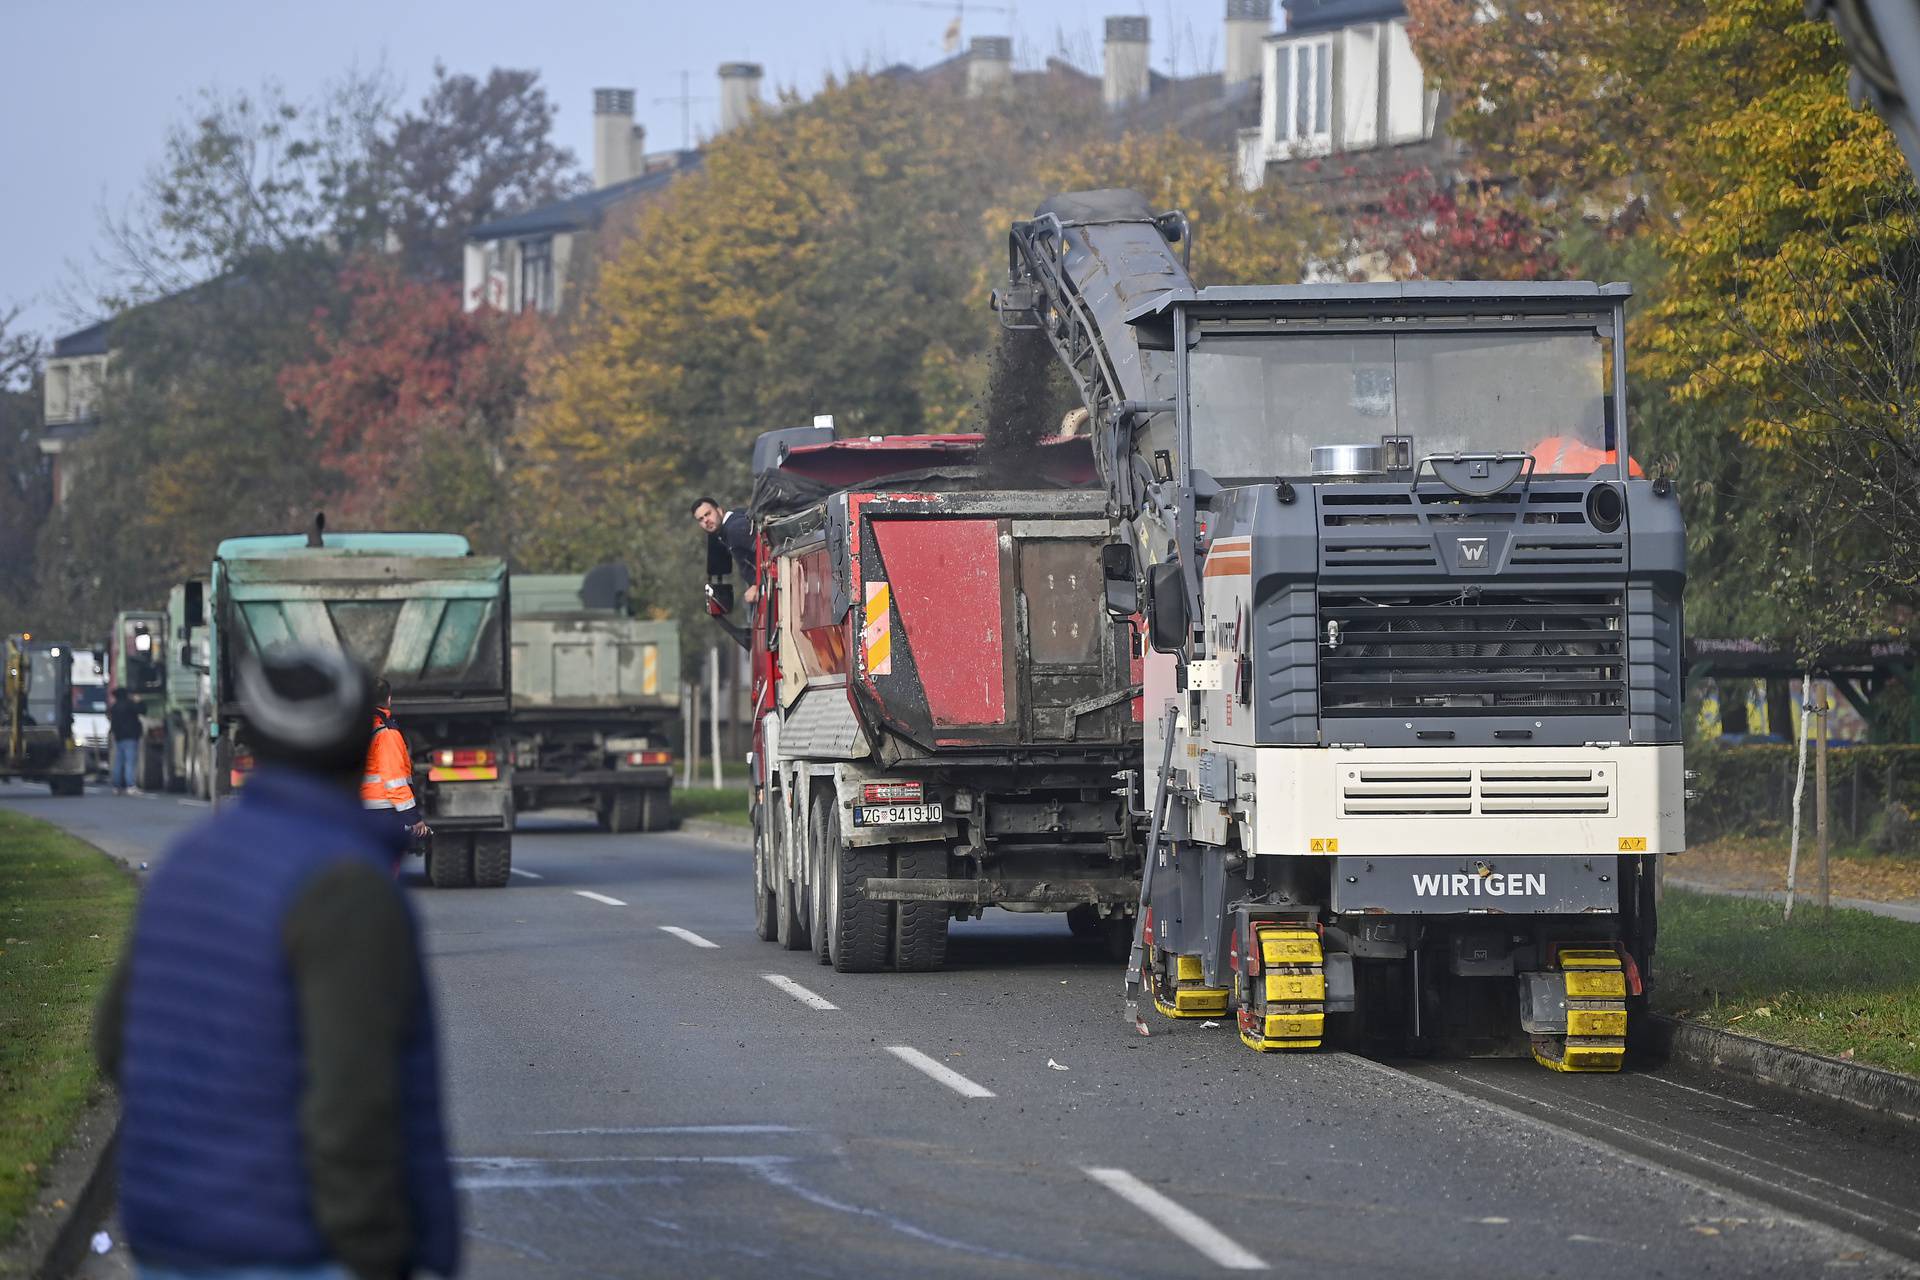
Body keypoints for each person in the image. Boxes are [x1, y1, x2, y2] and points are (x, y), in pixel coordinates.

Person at [94, 645, 460, 1280]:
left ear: (254, 748)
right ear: (357, 750)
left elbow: (115, 1040)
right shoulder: (347, 888)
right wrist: (381, 1251)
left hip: (167, 1235)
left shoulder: (187, 863)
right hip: (296, 1247)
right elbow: (356, 1105)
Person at [365, 678, 429, 856]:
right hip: (382, 811)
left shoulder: (353, 731)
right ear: (389, 699)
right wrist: (413, 819)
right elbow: (395, 781)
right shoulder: (386, 734)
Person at [691, 494, 758, 605]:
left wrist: (757, 585)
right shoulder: (731, 524)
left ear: (720, 510)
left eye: (708, 514)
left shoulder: (734, 528)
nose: (706, 520)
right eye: (701, 519)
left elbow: (767, 551)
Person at [107, 687, 144, 795]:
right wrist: (139, 701)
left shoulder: (114, 707)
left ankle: (117, 786)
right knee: (130, 762)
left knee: (118, 762)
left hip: (119, 737)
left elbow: (112, 721)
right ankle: (130, 785)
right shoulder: (130, 705)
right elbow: (142, 710)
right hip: (131, 737)